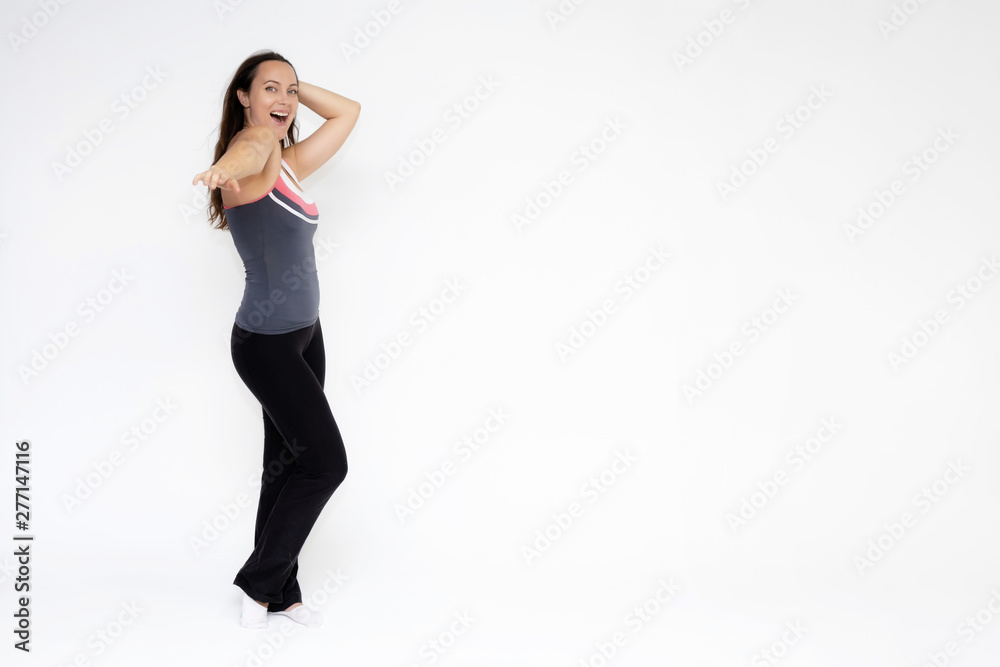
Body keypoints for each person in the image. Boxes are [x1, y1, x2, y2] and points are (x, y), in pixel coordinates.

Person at [191, 50, 360, 629]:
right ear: (243, 97)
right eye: (268, 89)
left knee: (287, 465)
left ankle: (283, 595)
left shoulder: (287, 162)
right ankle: (259, 582)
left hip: (306, 336)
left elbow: (348, 113)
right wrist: (228, 162)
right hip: (264, 343)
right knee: (327, 464)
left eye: (290, 91)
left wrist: (288, 88)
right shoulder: (255, 154)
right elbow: (250, 147)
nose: (284, 101)